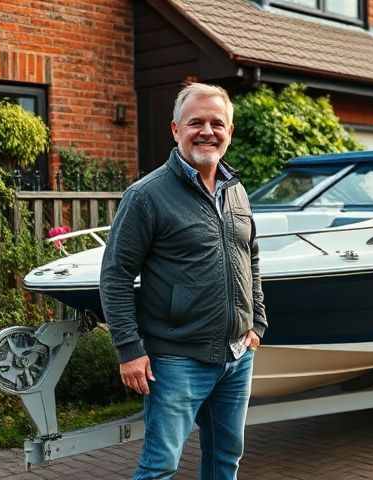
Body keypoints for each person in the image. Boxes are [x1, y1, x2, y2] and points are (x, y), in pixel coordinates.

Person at [100, 82, 267, 480]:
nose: (207, 131)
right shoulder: (146, 196)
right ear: (175, 130)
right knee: (160, 467)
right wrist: (129, 350)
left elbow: (251, 257)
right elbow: (115, 275)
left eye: (217, 123)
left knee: (226, 459)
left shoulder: (236, 191)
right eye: (196, 122)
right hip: (176, 359)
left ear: (230, 131)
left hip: (236, 356)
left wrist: (257, 322)